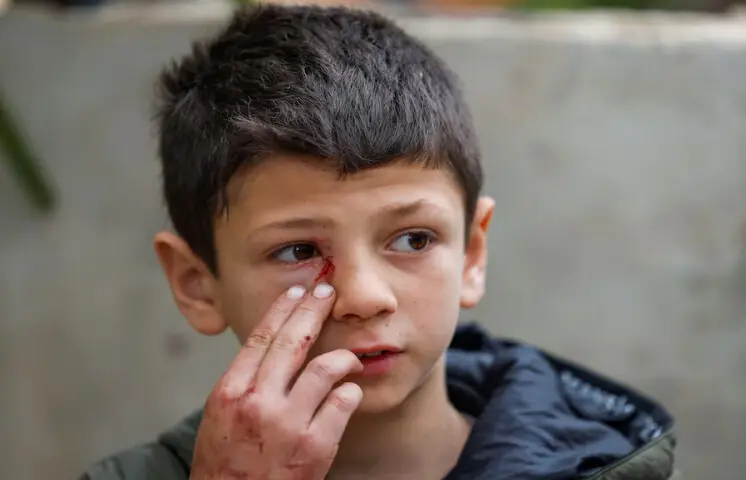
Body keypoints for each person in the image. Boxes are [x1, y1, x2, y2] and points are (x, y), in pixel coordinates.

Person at [81, 4, 676, 479]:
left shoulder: (603, 467)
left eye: (413, 239)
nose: (364, 296)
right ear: (197, 283)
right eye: (298, 251)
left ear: (471, 254)